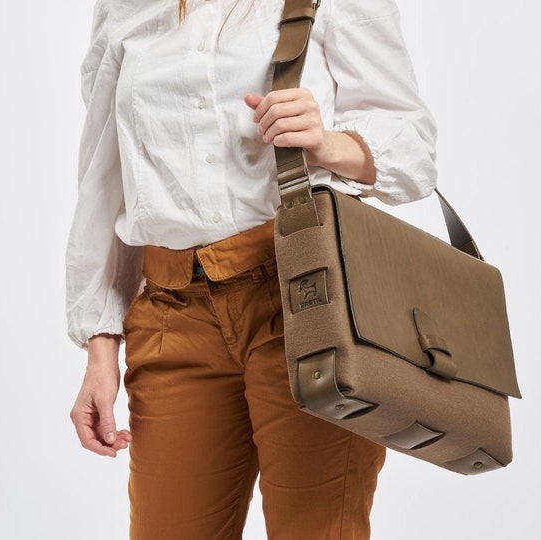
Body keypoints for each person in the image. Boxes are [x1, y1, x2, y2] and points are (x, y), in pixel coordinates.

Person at [67, 0, 437, 538]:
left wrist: (327, 142)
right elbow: (104, 179)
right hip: (172, 314)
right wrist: (99, 350)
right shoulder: (124, 8)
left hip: (306, 302)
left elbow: (415, 151)